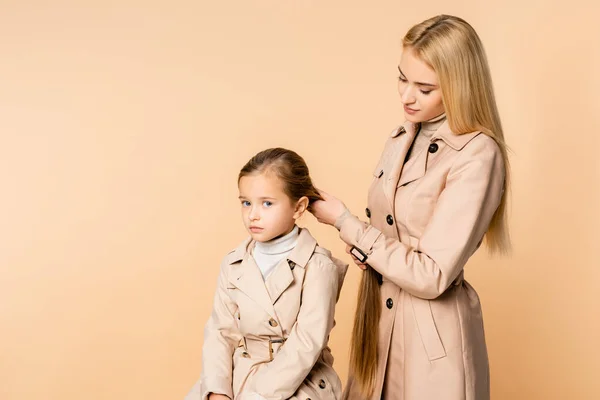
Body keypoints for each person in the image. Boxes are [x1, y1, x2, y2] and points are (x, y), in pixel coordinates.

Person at [311, 14, 510, 400]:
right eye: (402, 78)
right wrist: (367, 250)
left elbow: (432, 273)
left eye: (424, 88)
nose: (406, 96)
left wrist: (346, 224)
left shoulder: (477, 154)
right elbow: (394, 232)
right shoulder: (403, 134)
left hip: (431, 340)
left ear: (459, 85)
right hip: (380, 323)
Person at [186, 148, 348, 400]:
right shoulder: (233, 263)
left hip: (296, 381)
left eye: (267, 203)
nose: (253, 214)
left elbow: (307, 343)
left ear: (299, 207)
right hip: (240, 372)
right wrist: (218, 390)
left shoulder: (318, 266)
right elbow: (220, 330)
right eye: (246, 202)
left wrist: (259, 396)